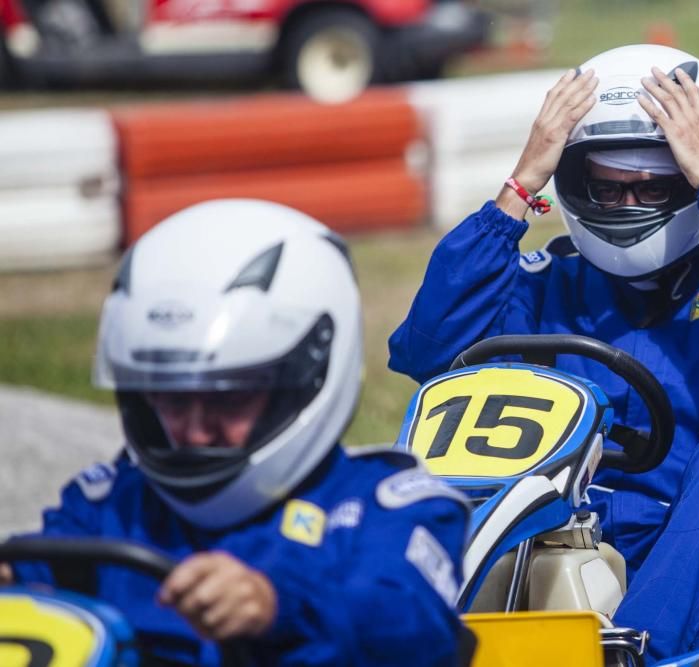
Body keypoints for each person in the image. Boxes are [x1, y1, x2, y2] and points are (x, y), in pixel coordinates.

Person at [388, 45, 699, 659]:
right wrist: (519, 187)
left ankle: (644, 656)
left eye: (652, 185)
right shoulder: (547, 281)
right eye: (606, 187)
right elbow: (428, 351)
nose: (626, 205)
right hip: (556, 554)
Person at [0, 199, 469, 666]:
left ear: (306, 376)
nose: (195, 432)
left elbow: (419, 633)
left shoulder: (390, 512)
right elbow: (25, 585)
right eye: (170, 398)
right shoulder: (110, 508)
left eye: (228, 398)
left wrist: (276, 606)